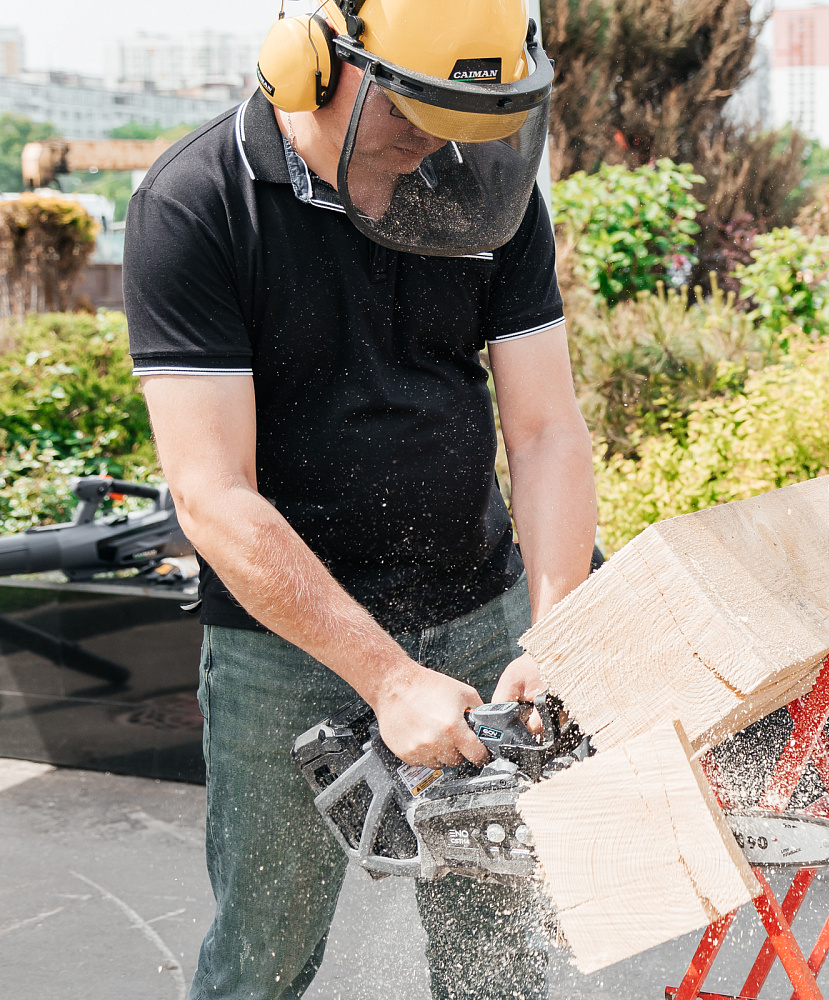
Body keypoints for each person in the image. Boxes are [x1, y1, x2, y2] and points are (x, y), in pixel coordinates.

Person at [123, 2, 595, 997]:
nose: (433, 150)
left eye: (460, 121)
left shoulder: (484, 193)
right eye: (408, 116)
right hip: (278, 648)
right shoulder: (197, 202)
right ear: (311, 63)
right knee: (264, 958)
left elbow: (547, 430)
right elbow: (213, 494)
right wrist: (385, 677)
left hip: (477, 613)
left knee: (497, 962)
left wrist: (555, 640)